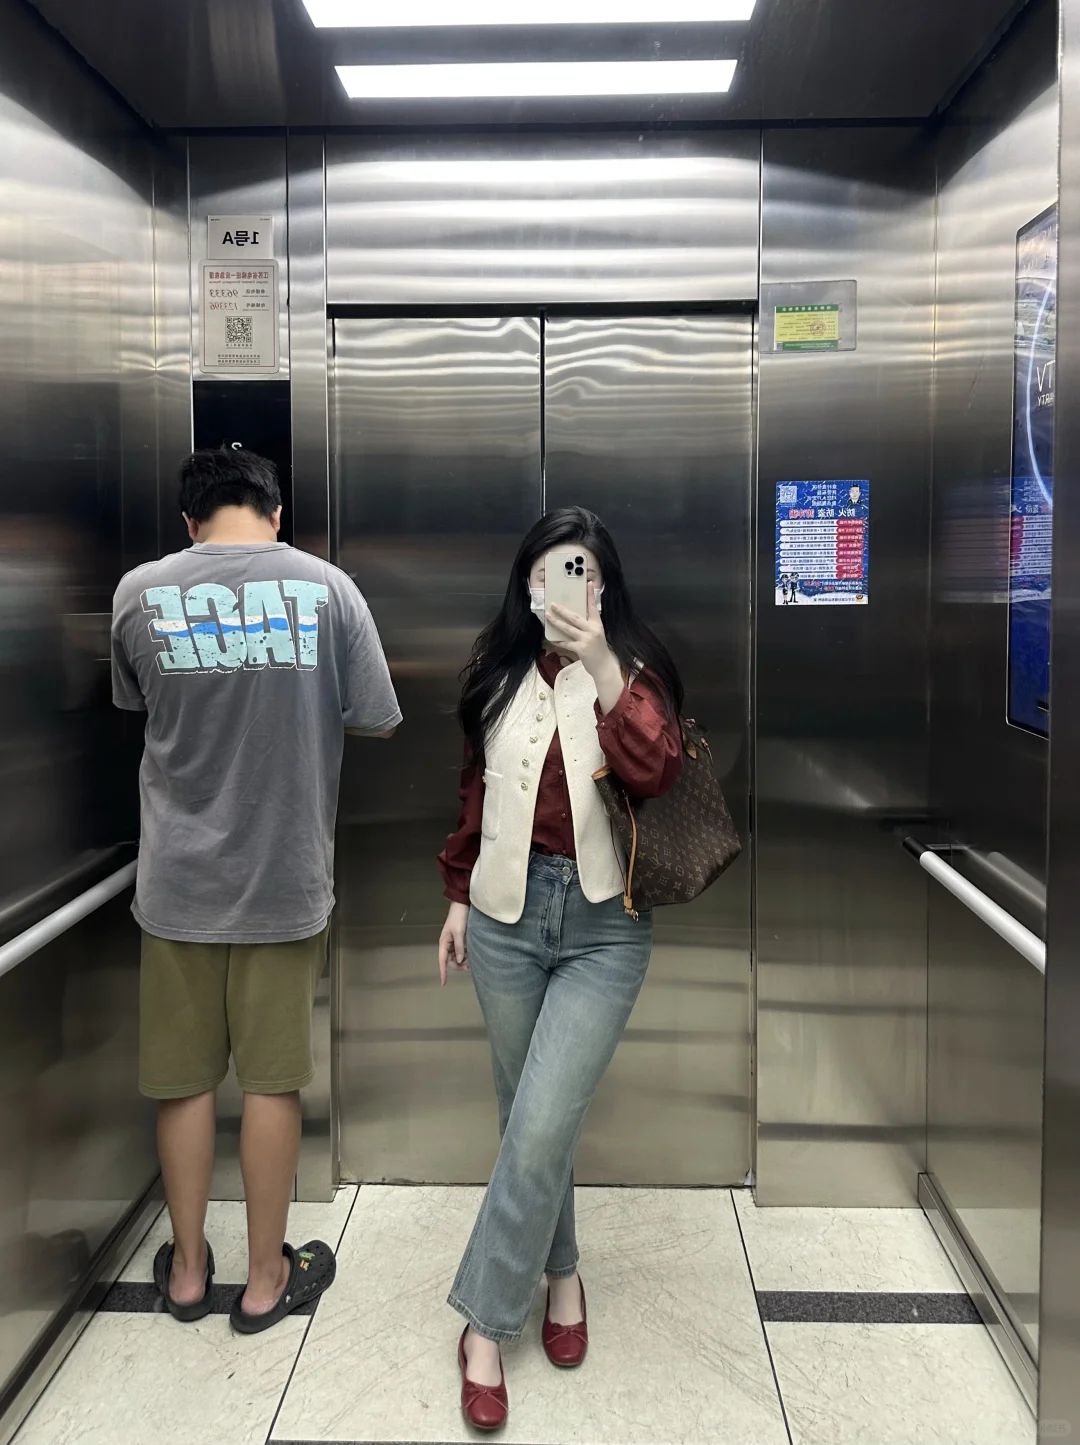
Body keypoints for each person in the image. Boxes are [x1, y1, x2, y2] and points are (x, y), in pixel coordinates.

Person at [111, 448, 401, 1333]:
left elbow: (135, 703)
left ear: (189, 520)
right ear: (277, 513)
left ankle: (188, 1271)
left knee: (184, 1083)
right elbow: (375, 716)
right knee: (272, 1083)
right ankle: (268, 1278)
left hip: (176, 888)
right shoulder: (330, 591)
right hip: (285, 883)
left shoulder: (138, 594)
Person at [437, 508, 684, 1430]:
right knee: (529, 1120)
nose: (559, 592)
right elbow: (475, 794)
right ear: (525, 586)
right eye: (544, 576)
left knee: (542, 1118)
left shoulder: (636, 670)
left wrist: (604, 662)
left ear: (603, 584)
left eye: (577, 573)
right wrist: (456, 896)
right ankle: (564, 1273)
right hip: (504, 918)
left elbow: (655, 770)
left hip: (604, 927)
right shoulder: (495, 670)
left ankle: (483, 1323)